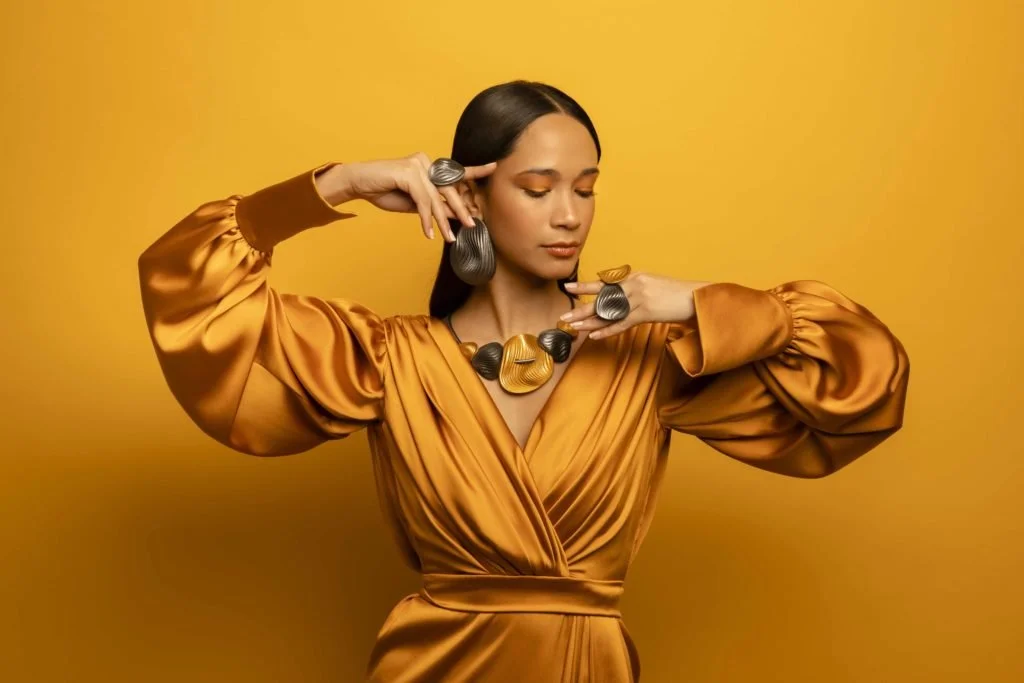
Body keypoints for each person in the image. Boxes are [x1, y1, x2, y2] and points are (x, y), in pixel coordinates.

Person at [138, 80, 910, 682]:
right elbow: (189, 287)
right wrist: (336, 183)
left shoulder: (651, 357)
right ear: (470, 196)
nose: (569, 215)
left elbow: (863, 381)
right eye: (539, 189)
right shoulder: (385, 358)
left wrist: (699, 301)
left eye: (586, 187)